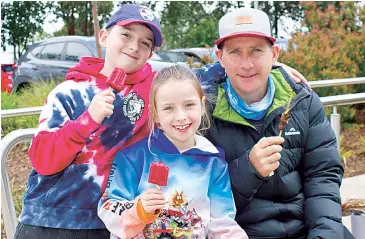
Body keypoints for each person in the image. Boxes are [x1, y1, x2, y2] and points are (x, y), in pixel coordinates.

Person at [195, 8, 348, 239]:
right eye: (235, 52)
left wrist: (325, 233)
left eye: (256, 51)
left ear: (274, 54)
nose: (246, 64)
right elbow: (199, 198)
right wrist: (249, 170)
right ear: (220, 58)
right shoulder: (202, 113)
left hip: (306, 228)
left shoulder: (302, 101)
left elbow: (323, 176)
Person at [14, 4, 163, 239]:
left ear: (150, 55)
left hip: (110, 223)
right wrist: (88, 120)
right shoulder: (69, 92)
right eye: (126, 34)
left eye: (145, 43)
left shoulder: (155, 91)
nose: (134, 46)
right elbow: (43, 160)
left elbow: (193, 84)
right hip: (50, 221)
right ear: (104, 37)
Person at [98, 65, 248, 239]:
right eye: (169, 108)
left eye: (189, 105)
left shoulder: (214, 163)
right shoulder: (132, 158)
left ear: (202, 105)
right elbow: (107, 207)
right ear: (154, 114)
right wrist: (138, 210)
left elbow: (222, 224)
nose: (181, 116)